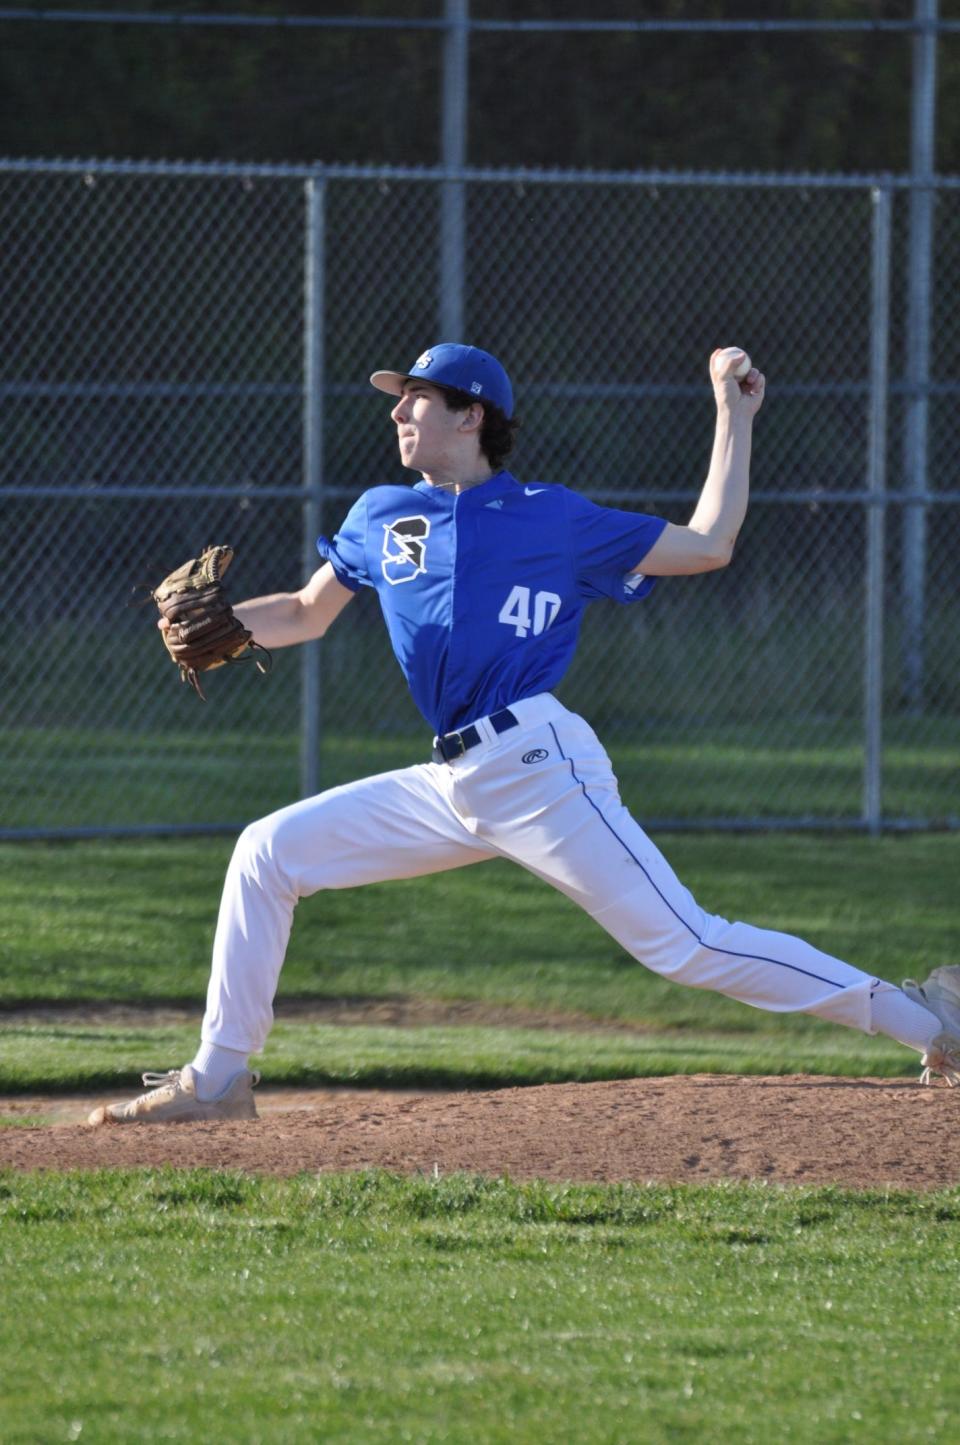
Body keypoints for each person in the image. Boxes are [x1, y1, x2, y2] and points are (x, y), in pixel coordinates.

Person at [89, 342, 960, 1125]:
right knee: (266, 852)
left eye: (417, 398)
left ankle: (929, 1016)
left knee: (687, 943)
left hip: (540, 764)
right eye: (398, 399)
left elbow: (708, 543)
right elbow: (309, 613)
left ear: (472, 416)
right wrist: (229, 623)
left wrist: (734, 415)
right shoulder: (382, 512)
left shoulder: (553, 516)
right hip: (449, 781)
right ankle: (218, 1081)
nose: (397, 411)